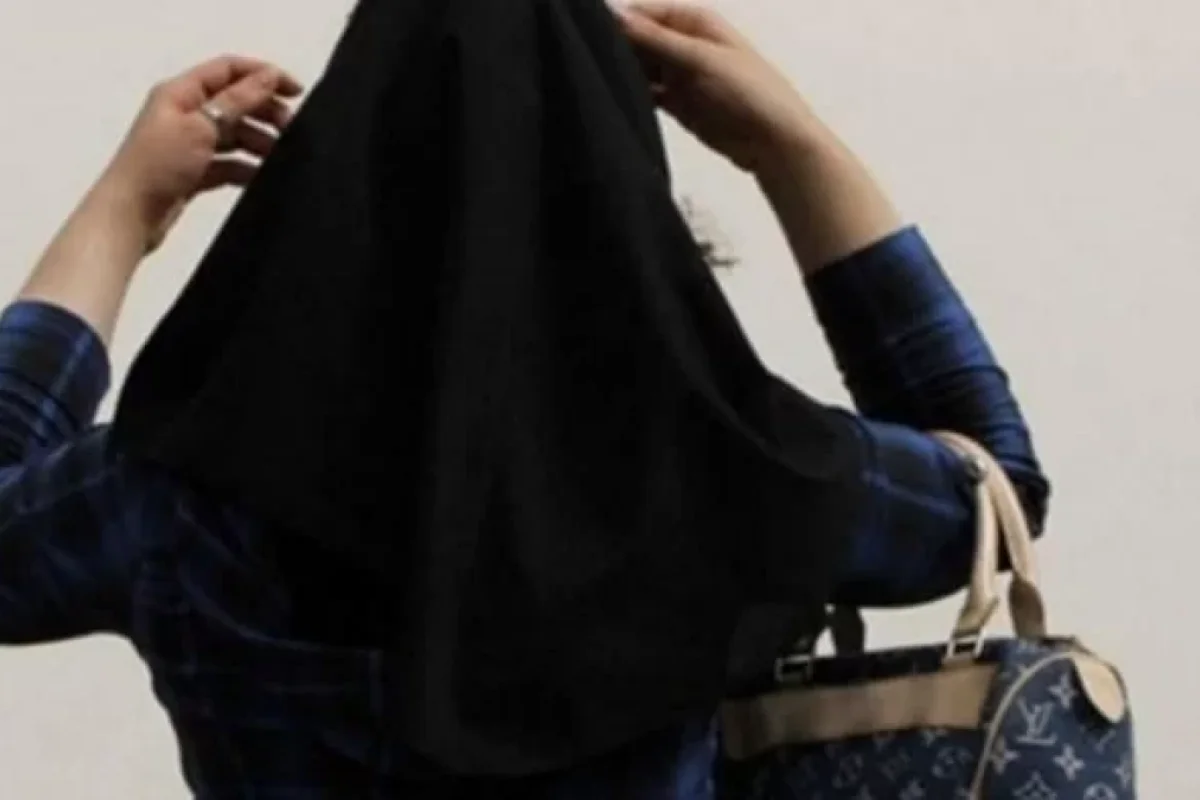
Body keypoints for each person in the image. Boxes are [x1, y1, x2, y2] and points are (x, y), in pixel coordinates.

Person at [0, 3, 1048, 797]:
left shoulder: (171, 492)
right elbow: (996, 487)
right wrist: (792, 146)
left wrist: (124, 208)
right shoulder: (743, 470)